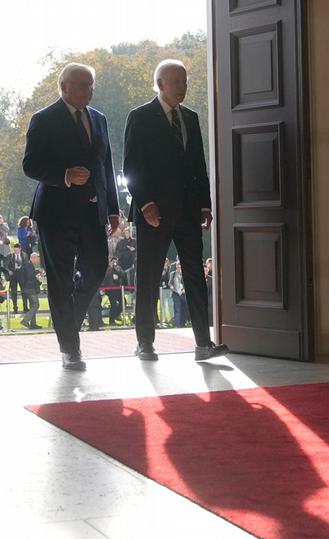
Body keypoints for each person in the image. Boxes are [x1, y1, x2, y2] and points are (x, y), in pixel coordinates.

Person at [124, 59, 227, 362]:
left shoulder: (191, 118)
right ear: (159, 84)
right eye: (177, 81)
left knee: (194, 275)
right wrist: (144, 203)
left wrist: (205, 204)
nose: (183, 87)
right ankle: (145, 343)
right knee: (149, 278)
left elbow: (198, 165)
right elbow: (131, 166)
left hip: (187, 212)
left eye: (185, 81)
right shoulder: (140, 117)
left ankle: (203, 344)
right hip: (152, 213)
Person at [22, 62, 120, 371]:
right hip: (55, 213)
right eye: (83, 85)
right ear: (65, 87)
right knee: (59, 280)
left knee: (97, 267)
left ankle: (67, 324)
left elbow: (106, 166)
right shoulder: (44, 119)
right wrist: (63, 175)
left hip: (93, 211)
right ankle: (70, 349)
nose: (90, 91)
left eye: (91, 85)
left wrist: (113, 208)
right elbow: (30, 165)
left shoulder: (100, 119)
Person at [18, 252, 43, 330]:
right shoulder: (29, 265)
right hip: (30, 288)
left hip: (28, 288)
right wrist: (38, 271)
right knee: (36, 304)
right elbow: (30, 276)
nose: (38, 261)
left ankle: (33, 324)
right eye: (37, 259)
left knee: (33, 306)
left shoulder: (29, 265)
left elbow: (31, 276)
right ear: (33, 258)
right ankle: (25, 320)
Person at [102, 257, 127, 326]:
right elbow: (105, 278)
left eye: (116, 262)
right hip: (111, 290)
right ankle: (111, 320)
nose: (114, 263)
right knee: (113, 304)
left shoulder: (119, 268)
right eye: (113, 262)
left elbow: (123, 276)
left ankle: (116, 315)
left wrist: (118, 270)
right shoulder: (108, 270)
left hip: (118, 290)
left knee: (124, 302)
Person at [6, 243, 28, 314]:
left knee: (24, 292)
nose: (15, 251)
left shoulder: (24, 255)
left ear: (20, 249)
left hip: (22, 275)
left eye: (17, 250)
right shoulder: (10, 256)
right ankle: (15, 308)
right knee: (13, 292)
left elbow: (26, 265)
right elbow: (6, 265)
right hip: (13, 276)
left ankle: (25, 307)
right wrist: (9, 271)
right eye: (14, 250)